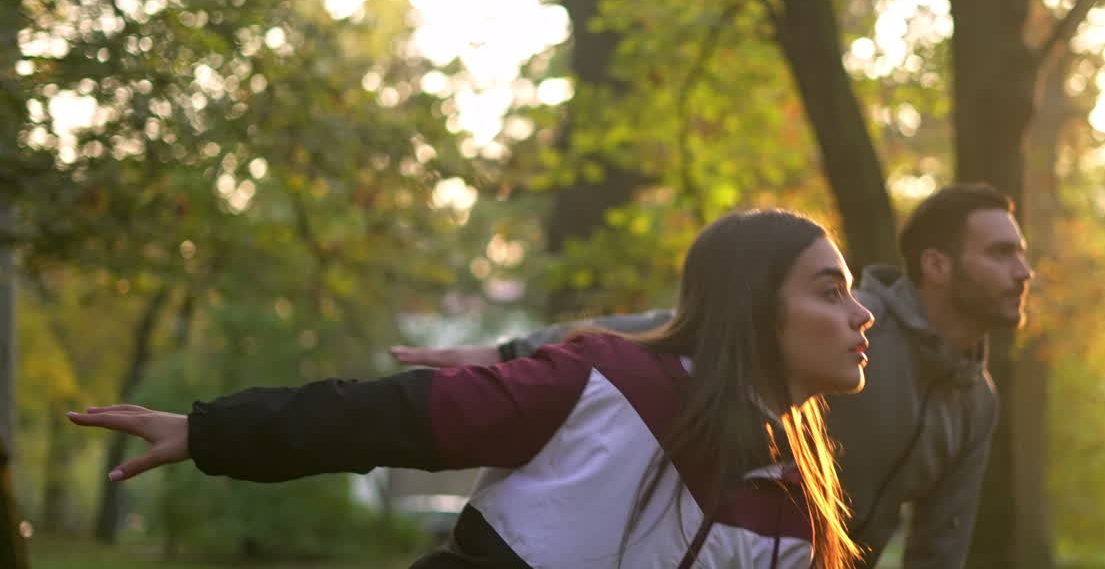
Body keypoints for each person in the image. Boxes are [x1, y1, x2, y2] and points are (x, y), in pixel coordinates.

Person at [68, 208, 873, 569]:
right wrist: (208, 432)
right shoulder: (608, 384)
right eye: (829, 291)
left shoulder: (797, 507)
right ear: (752, 310)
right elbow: (384, 418)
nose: (862, 316)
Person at [392, 182, 1033, 569]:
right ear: (938, 266)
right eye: (1001, 253)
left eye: (1022, 255)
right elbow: (683, 326)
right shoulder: (850, 335)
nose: (1023, 273)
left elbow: (940, 545)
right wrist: (512, 352)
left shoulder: (976, 403)